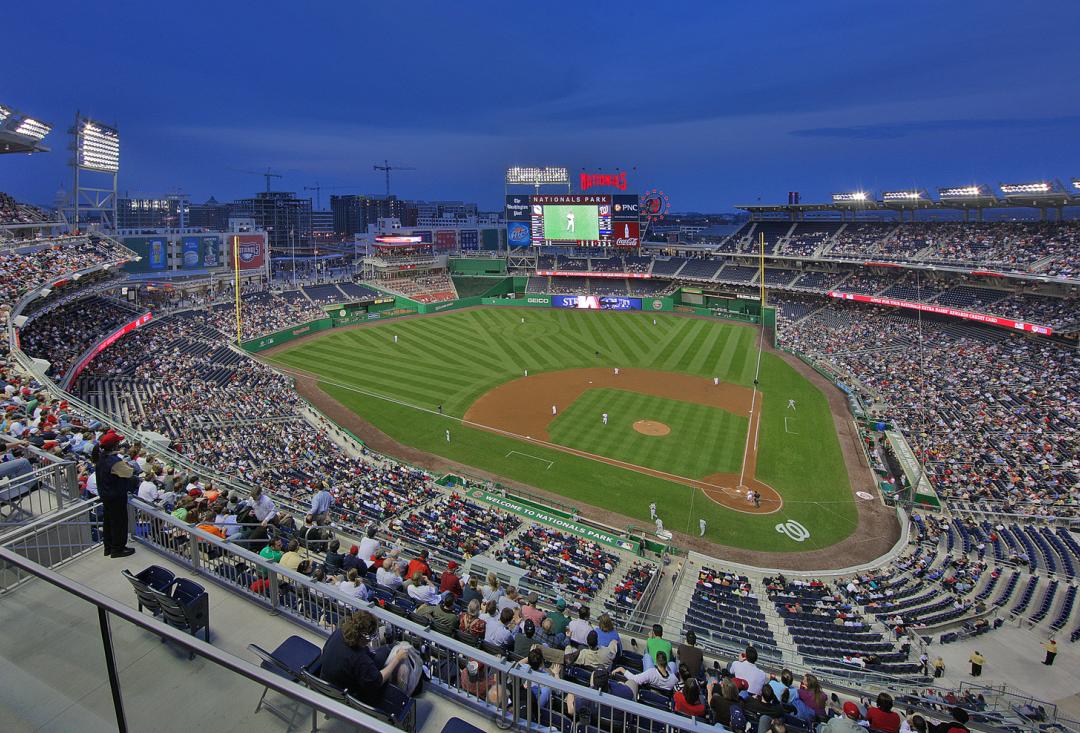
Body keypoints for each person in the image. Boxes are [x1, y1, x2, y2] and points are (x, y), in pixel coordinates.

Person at [318, 611, 410, 707]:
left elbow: (325, 651)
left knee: (382, 653)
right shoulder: (360, 659)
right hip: (347, 694)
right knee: (388, 666)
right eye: (371, 637)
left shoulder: (338, 632)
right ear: (363, 638)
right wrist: (397, 658)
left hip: (325, 683)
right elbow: (378, 681)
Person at [94, 430, 136, 558]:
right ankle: (118, 549)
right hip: (116, 496)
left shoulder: (100, 456)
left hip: (105, 495)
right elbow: (129, 472)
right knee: (119, 523)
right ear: (115, 446)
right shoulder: (114, 461)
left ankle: (109, 547)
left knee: (108, 522)